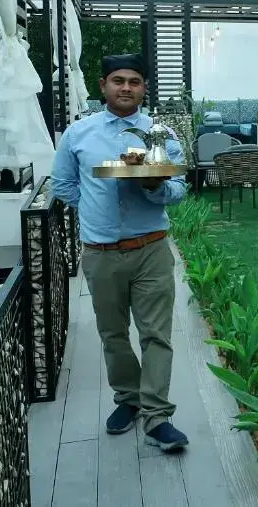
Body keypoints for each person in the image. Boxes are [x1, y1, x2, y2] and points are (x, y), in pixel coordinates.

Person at [52, 53, 189, 452]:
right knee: (113, 333)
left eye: (134, 81)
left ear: (144, 88)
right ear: (103, 85)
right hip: (101, 253)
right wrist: (94, 210)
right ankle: (128, 400)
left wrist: (153, 187)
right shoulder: (79, 134)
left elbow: (178, 190)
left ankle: (157, 415)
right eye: (118, 80)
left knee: (156, 335)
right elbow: (62, 184)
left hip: (151, 249)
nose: (126, 87)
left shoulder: (160, 135)